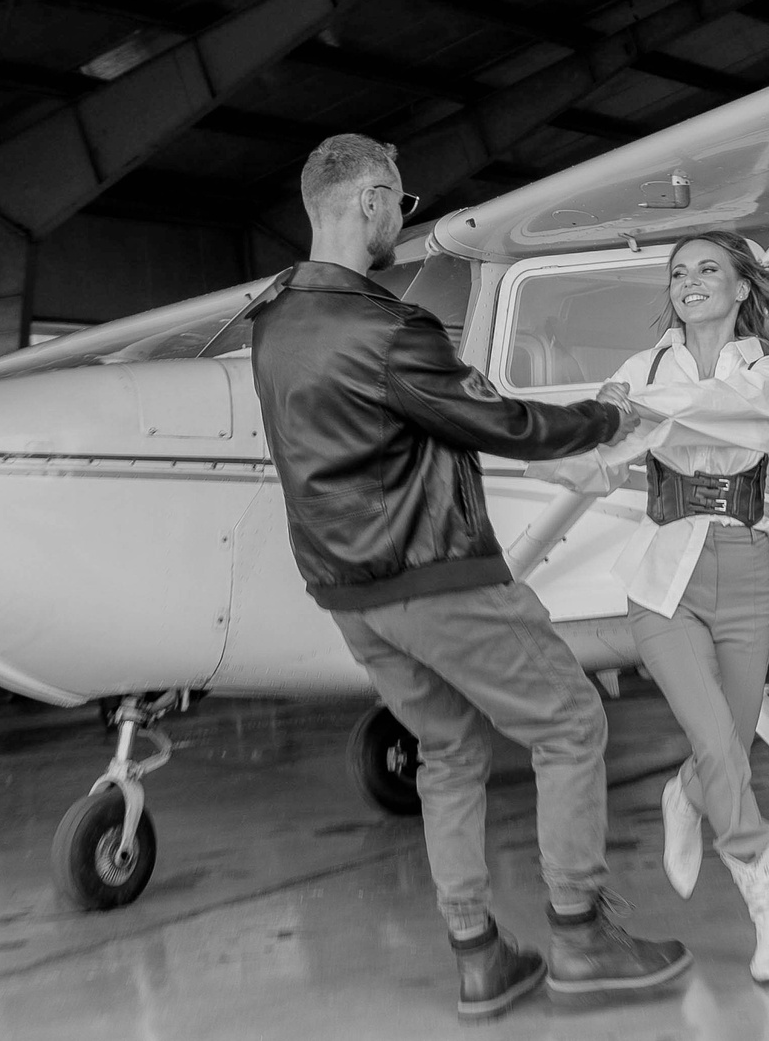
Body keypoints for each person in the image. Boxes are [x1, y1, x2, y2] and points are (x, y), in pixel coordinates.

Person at [250, 134, 695, 1020]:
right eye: (403, 203)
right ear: (373, 201)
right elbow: (502, 422)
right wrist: (608, 417)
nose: (401, 220)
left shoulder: (271, 322)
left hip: (347, 595)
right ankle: (581, 936)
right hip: (433, 575)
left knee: (449, 751)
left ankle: (479, 954)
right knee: (569, 723)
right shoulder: (388, 329)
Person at [529, 230, 769, 983]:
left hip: (747, 567)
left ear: (742, 287)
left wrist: (633, 410)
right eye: (679, 272)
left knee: (731, 747)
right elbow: (600, 457)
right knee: (720, 746)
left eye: (708, 269)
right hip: (662, 579)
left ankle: (683, 794)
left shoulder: (766, 368)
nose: (690, 281)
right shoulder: (639, 368)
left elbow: (736, 414)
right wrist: (564, 443)